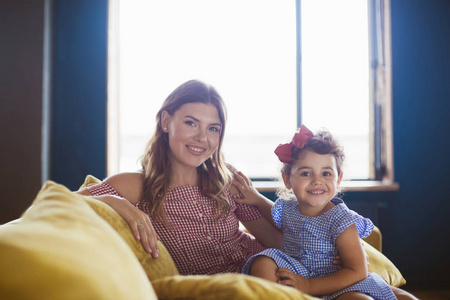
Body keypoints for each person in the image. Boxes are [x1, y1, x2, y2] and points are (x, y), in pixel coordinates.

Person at [76, 80, 416, 299]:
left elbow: (276, 236)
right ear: (166, 122)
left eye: (213, 128)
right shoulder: (134, 185)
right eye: (190, 122)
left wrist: (331, 255)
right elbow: (63, 204)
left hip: (276, 271)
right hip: (234, 287)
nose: (202, 138)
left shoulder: (225, 180)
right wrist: (116, 203)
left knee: (394, 297)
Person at [240, 125, 400, 299]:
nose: (317, 181)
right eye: (306, 173)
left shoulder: (342, 220)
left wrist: (309, 285)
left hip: (338, 282)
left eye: (326, 173)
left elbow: (358, 270)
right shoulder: (288, 208)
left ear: (338, 179)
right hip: (297, 271)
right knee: (262, 262)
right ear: (287, 179)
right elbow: (272, 211)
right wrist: (255, 198)